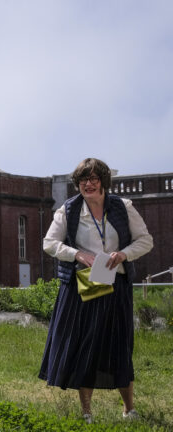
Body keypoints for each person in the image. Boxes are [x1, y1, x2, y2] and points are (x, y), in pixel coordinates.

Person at [39, 158, 153, 424]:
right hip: (82, 288)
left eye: (93, 179)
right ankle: (87, 412)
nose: (88, 184)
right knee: (85, 347)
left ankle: (129, 409)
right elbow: (49, 243)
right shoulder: (68, 210)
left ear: (104, 181)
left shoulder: (123, 207)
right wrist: (77, 254)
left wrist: (124, 254)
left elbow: (145, 240)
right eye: (83, 180)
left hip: (116, 286)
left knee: (120, 345)